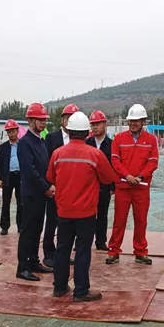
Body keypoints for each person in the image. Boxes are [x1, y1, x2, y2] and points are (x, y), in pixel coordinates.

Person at [47, 112, 115, 302]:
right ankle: (81, 290)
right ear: (87, 133)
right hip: (86, 212)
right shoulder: (95, 154)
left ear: (69, 131)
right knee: (83, 250)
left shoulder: (58, 154)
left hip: (63, 211)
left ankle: (59, 287)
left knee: (62, 248)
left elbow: (50, 177)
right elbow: (108, 178)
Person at [107, 104, 158, 265]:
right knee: (119, 220)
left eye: (136, 121)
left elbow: (153, 162)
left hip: (141, 188)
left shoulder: (151, 140)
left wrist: (140, 176)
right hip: (123, 187)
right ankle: (113, 251)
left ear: (143, 121)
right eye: (131, 121)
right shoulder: (119, 139)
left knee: (141, 221)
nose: (133, 123)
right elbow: (115, 160)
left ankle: (140, 252)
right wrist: (127, 176)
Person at [16, 103, 54, 281]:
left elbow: (45, 167)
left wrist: (49, 185)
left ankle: (33, 261)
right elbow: (29, 170)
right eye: (40, 120)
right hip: (31, 193)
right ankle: (22, 267)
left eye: (44, 120)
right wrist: (45, 187)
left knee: (37, 229)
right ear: (30, 121)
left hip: (40, 193)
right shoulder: (25, 143)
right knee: (28, 231)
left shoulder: (41, 141)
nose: (43, 123)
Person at [43, 103, 79, 267]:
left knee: (69, 224)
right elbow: (47, 162)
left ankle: (64, 253)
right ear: (62, 120)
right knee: (52, 222)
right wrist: (49, 184)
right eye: (67, 118)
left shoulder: (81, 139)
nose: (69, 121)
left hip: (73, 188)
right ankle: (49, 254)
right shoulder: (52, 138)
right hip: (55, 187)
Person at [85, 110, 115, 251]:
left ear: (105, 124)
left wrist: (112, 187)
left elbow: (114, 167)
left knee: (102, 214)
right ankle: (84, 240)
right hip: (88, 185)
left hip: (105, 185)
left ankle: (101, 241)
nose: (95, 127)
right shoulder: (86, 143)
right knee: (86, 214)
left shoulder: (112, 145)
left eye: (98, 124)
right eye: (93, 124)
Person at [0, 119, 22, 235]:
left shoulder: (23, 145)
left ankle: (21, 225)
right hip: (8, 176)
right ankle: (4, 226)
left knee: (21, 202)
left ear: (17, 131)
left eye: (13, 131)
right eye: (9, 132)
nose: (11, 134)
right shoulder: (3, 147)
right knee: (6, 202)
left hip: (20, 176)